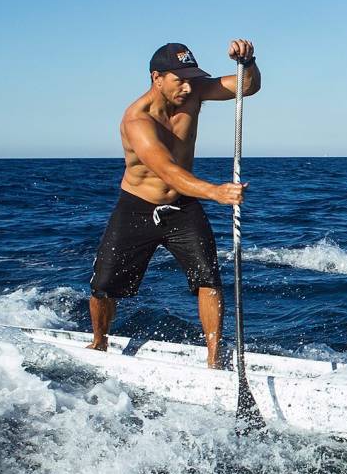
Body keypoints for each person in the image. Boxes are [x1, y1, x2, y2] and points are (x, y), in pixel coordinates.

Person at [88, 39, 261, 368]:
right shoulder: (136, 121)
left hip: (181, 206)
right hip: (137, 206)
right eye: (179, 79)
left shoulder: (193, 92)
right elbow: (167, 171)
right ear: (157, 78)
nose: (187, 86)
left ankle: (213, 359)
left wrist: (248, 62)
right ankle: (99, 342)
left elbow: (245, 87)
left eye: (191, 78)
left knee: (208, 279)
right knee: (104, 286)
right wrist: (216, 192)